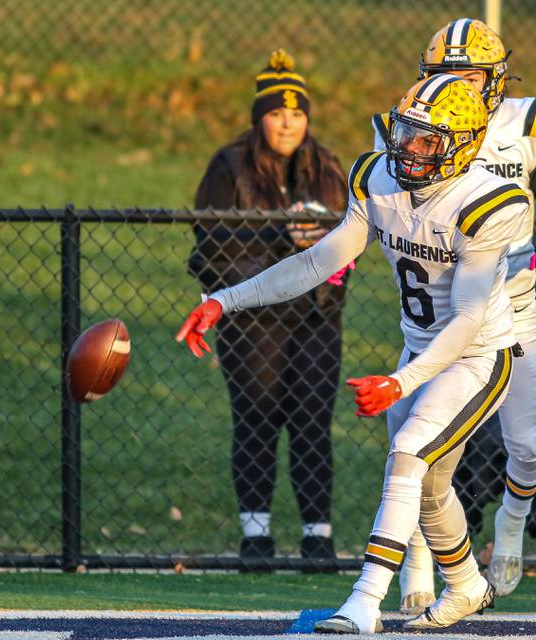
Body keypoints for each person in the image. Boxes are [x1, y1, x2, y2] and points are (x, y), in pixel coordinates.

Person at [178, 75, 529, 633]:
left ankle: (365, 600)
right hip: (419, 351)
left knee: (410, 453)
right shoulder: (377, 176)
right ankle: (465, 585)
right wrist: (226, 300)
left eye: (426, 140)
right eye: (406, 132)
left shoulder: (489, 201)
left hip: (479, 357)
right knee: (432, 489)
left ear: (461, 143)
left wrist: (402, 381)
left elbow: (467, 318)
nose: (408, 149)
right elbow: (319, 261)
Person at [372, 18, 536, 605]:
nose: (455, 88)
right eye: (444, 76)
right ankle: (417, 561)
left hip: (512, 309)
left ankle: (511, 527)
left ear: (493, 80)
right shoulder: (412, 126)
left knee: (527, 445)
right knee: (420, 447)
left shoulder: (523, 129)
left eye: (466, 76)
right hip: (438, 316)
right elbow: (379, 199)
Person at [187, 49, 351, 567]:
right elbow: (211, 247)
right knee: (256, 419)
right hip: (251, 320)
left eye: (297, 113)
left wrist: (320, 244)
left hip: (315, 318)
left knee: (310, 421)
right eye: (277, 114)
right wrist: (281, 240)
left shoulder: (326, 165)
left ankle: (317, 536)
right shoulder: (229, 165)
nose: (288, 123)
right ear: (260, 117)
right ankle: (255, 535)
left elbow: (350, 238)